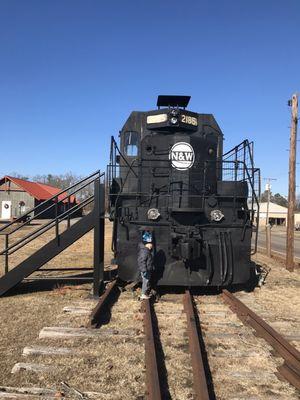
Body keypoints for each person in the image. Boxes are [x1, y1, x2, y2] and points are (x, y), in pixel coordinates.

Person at [137, 231, 154, 299]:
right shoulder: (145, 251)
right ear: (147, 244)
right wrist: (144, 270)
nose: (151, 245)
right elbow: (142, 261)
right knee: (145, 281)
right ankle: (143, 294)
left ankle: (145, 293)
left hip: (147, 269)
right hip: (145, 270)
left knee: (146, 281)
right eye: (150, 244)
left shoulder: (146, 251)